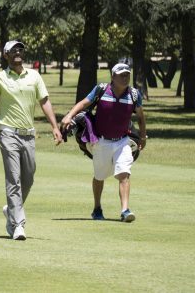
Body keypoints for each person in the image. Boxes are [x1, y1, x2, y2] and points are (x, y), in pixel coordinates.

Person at [0, 40, 63, 240]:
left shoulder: (34, 76)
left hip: (29, 135)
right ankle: (18, 224)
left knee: (28, 178)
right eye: (13, 50)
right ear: (6, 55)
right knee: (14, 179)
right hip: (8, 133)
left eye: (20, 49)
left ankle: (11, 209)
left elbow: (44, 101)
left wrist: (54, 127)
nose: (18, 52)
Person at [61, 61, 147, 222]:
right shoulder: (101, 90)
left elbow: (141, 118)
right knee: (99, 176)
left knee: (124, 174)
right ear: (113, 77)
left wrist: (143, 137)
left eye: (127, 75)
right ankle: (97, 208)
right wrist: (69, 116)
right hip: (101, 142)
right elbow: (83, 103)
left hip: (122, 141)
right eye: (121, 75)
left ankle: (125, 210)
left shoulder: (134, 95)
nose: (125, 78)